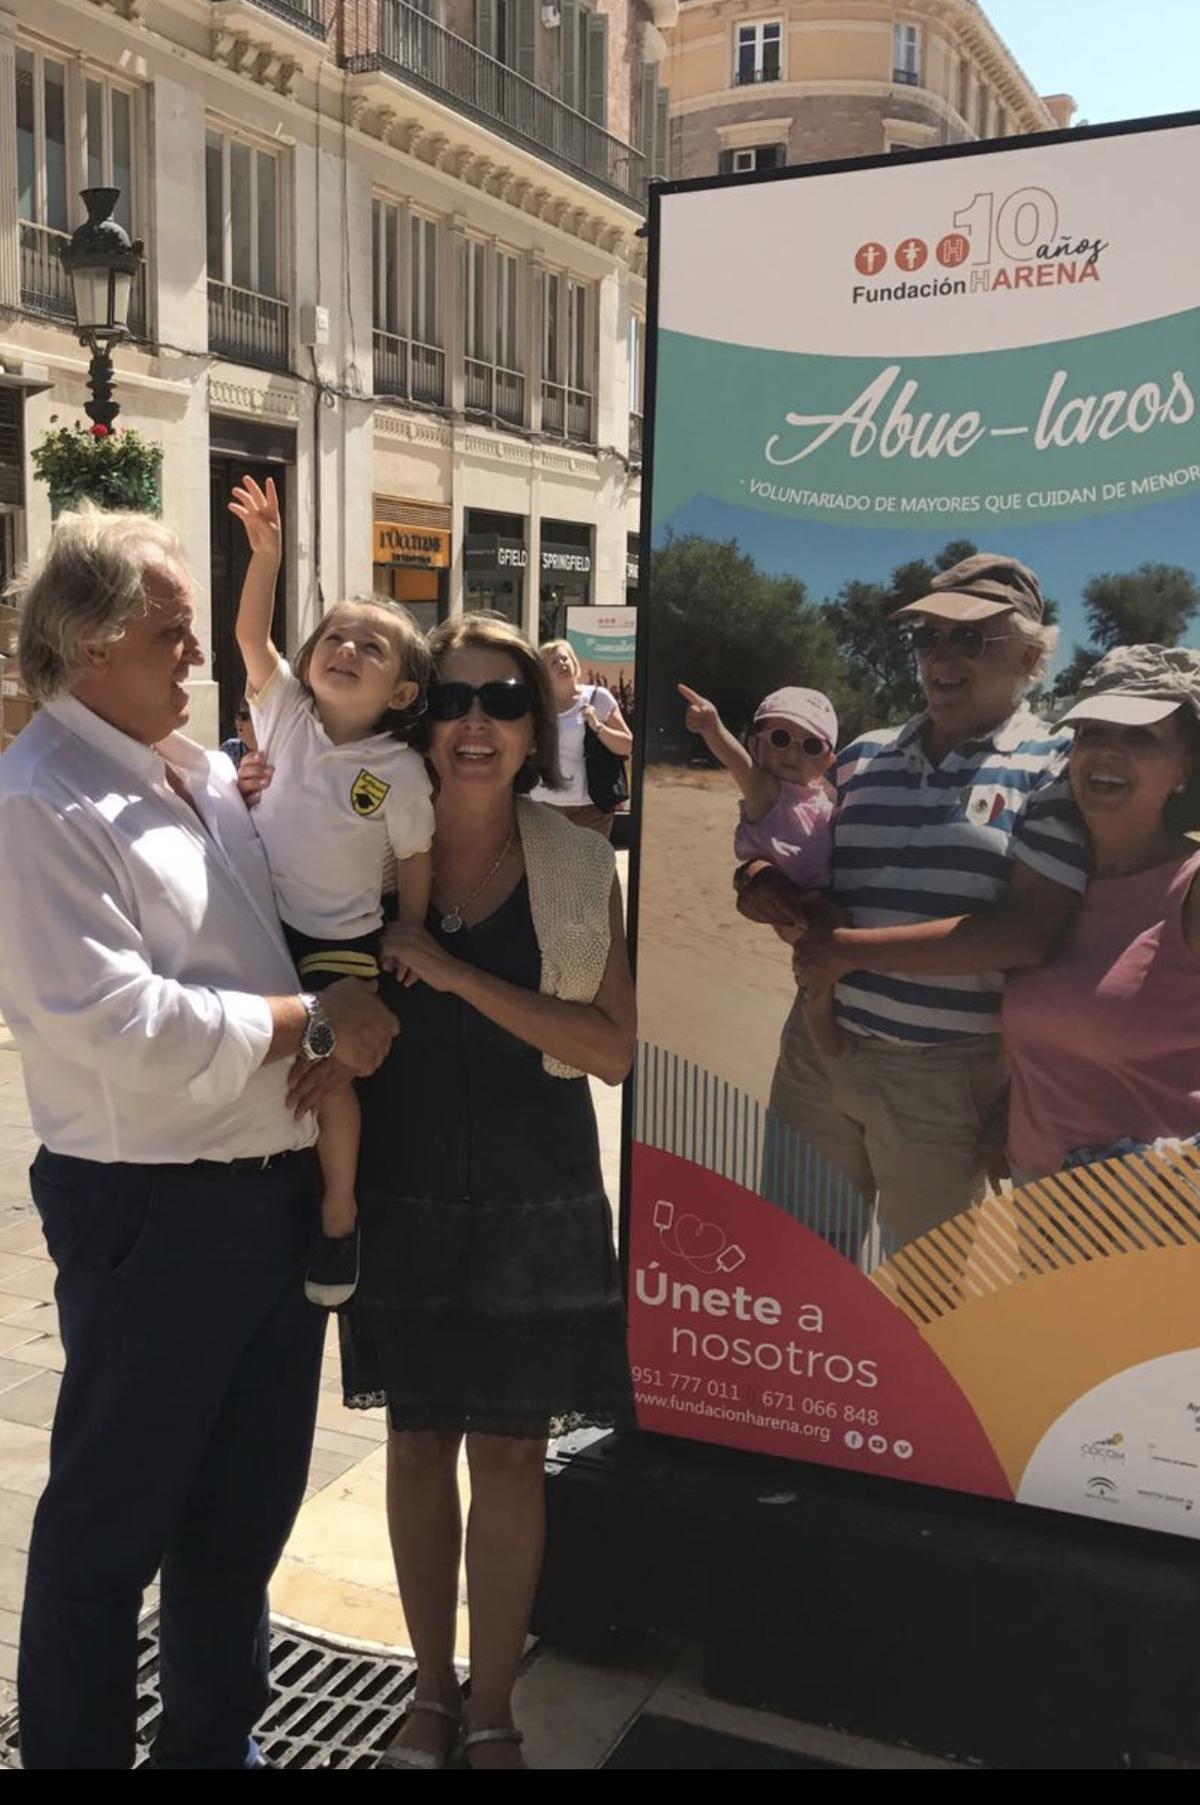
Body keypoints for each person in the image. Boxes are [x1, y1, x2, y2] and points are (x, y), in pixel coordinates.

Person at [0, 507, 397, 1770]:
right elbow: (117, 1022)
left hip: (268, 1203)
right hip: (153, 1214)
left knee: (238, 1528)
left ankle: (214, 1751)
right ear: (90, 644)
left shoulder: (202, 770)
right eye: (175, 634)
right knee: (108, 1535)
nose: (197, 658)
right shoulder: (39, 803)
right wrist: (317, 1027)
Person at [341, 614, 636, 1770]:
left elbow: (613, 1048)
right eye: (453, 699)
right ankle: (428, 1690)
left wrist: (452, 971)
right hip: (401, 1187)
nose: (475, 723)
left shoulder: (570, 855)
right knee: (419, 1445)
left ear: (533, 725)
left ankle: (498, 1700)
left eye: (502, 701)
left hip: (537, 1194)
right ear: (422, 713)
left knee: (511, 1455)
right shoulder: (366, 832)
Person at [744, 553, 1090, 1260]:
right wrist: (760, 884)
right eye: (928, 637)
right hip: (816, 1050)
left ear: (1029, 654)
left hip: (944, 1079)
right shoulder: (860, 759)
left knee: (920, 1299)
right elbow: (780, 851)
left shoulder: (1053, 769)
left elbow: (1030, 933)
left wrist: (847, 953)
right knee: (800, 1265)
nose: (941, 656)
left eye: (970, 638)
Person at [230, 475, 434, 1308]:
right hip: (259, 930)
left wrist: (414, 928)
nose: (345, 649)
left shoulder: (399, 770)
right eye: (335, 638)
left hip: (341, 946)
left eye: (371, 648)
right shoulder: (282, 717)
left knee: (333, 1073)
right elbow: (249, 633)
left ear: (403, 695)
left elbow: (415, 854)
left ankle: (338, 1212)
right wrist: (267, 559)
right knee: (267, 1063)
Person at [1002, 645, 1200, 1183]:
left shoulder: (1190, 888)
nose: (1108, 751)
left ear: (1184, 766)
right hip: (1036, 1199)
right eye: (1092, 731)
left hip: (1156, 1220)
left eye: (1139, 736)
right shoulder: (1049, 881)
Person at [678, 680, 842, 1055]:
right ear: (757, 744)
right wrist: (712, 727)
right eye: (781, 738)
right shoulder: (767, 793)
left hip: (822, 898)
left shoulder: (824, 796)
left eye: (811, 745)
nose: (793, 752)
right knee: (818, 977)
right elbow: (736, 762)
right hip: (793, 909)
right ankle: (822, 1029)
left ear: (827, 760)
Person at [529, 638, 633, 837]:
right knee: (550, 866)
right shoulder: (536, 707)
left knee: (591, 865)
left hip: (591, 807)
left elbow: (627, 745)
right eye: (554, 662)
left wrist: (598, 726)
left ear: (574, 663)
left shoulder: (598, 698)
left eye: (565, 659)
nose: (562, 664)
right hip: (544, 804)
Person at [218, 699, 256, 768]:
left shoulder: (277, 750)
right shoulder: (228, 749)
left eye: (244, 717)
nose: (237, 722)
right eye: (237, 717)